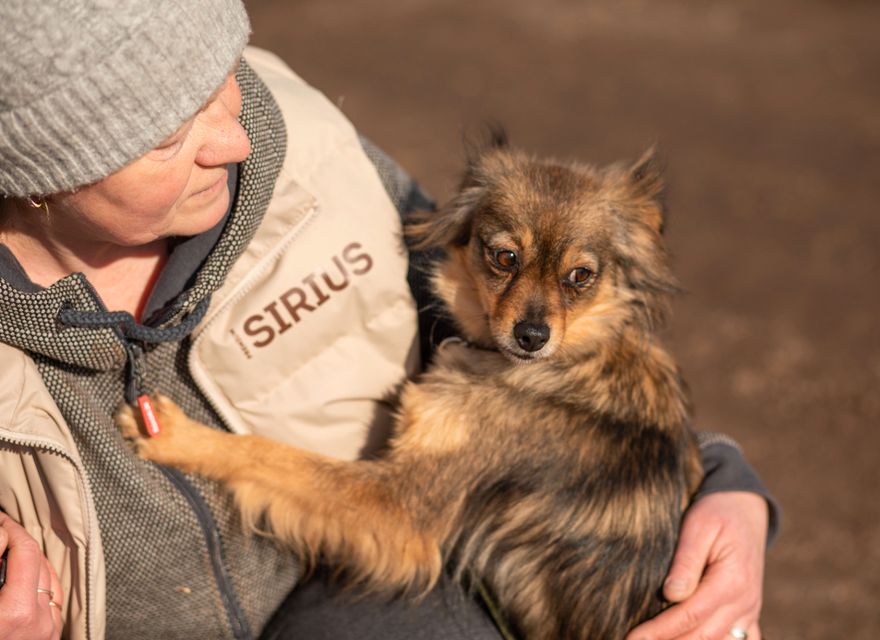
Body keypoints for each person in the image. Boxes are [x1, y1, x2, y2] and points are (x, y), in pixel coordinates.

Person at [0, 1, 777, 638]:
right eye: (171, 135)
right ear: (45, 171)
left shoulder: (316, 158)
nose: (234, 139)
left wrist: (723, 482)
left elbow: (571, 435)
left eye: (222, 82)